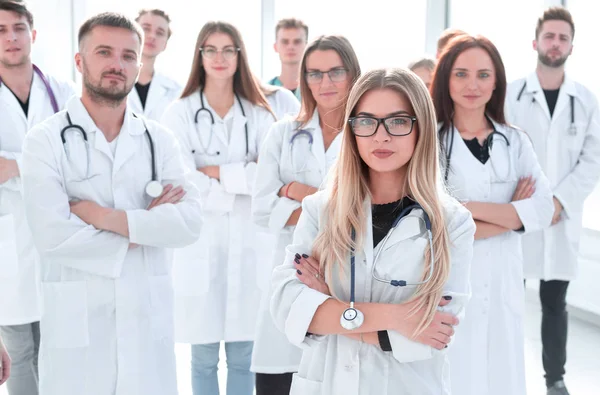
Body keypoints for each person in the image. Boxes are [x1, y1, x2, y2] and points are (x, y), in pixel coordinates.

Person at [19, 12, 203, 395]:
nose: (117, 64)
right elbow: (52, 235)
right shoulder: (44, 141)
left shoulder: (159, 140)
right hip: (78, 331)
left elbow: (188, 223)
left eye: (128, 56)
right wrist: (144, 228)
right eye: (104, 52)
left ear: (139, 65)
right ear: (80, 61)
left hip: (146, 326)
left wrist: (101, 216)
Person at [270, 67, 475, 395]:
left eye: (397, 121)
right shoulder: (319, 210)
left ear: (420, 128)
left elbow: (433, 334)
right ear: (352, 131)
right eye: (366, 121)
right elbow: (288, 309)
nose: (381, 136)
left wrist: (329, 305)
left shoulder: (453, 223)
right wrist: (397, 317)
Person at [430, 34, 555, 395]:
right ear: (446, 79)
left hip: (504, 285)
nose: (473, 84)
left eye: (484, 75)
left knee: (503, 377)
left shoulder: (514, 141)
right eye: (462, 74)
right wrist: (512, 215)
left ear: (496, 81)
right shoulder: (432, 141)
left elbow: (543, 209)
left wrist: (463, 209)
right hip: (451, 284)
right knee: (454, 377)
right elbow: (432, 222)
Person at [161, 21, 276, 395]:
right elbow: (179, 182)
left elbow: (268, 178)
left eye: (228, 49)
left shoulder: (261, 113)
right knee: (203, 358)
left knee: (245, 357)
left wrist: (212, 173)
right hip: (201, 243)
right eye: (210, 49)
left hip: (249, 243)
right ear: (200, 56)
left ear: (240, 56)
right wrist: (236, 184)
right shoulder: (178, 113)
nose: (219, 58)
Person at [251, 35, 361, 395]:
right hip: (292, 267)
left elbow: (363, 210)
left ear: (352, 73)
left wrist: (296, 191)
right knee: (277, 373)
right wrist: (327, 205)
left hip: (348, 272)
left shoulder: (367, 133)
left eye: (335, 72)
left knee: (334, 372)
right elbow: (262, 209)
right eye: (314, 73)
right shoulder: (282, 133)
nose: (324, 83)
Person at [505, 7, 600, 395]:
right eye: (550, 36)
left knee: (555, 302)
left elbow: (592, 160)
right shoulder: (511, 94)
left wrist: (558, 201)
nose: (555, 43)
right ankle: (510, 373)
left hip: (561, 217)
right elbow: (503, 150)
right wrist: (525, 203)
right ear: (535, 42)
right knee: (509, 298)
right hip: (518, 213)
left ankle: (555, 379)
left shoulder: (586, 99)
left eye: (562, 38)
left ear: (572, 47)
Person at [0, 1, 75, 394]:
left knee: (60, 350)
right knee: (19, 355)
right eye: (0, 30)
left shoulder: (60, 91)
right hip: (6, 245)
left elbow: (79, 161)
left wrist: (14, 167)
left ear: (33, 34)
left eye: (18, 28)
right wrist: (39, 166)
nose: (10, 37)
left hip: (57, 236)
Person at [128, 8, 181, 121]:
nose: (152, 36)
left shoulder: (176, 92)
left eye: (160, 33)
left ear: (165, 44)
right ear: (132, 33)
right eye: (146, 29)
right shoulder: (112, 79)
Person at [268, 18, 308, 100]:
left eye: (297, 41)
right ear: (275, 47)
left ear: (306, 46)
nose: (290, 47)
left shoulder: (316, 89)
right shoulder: (264, 92)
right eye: (285, 42)